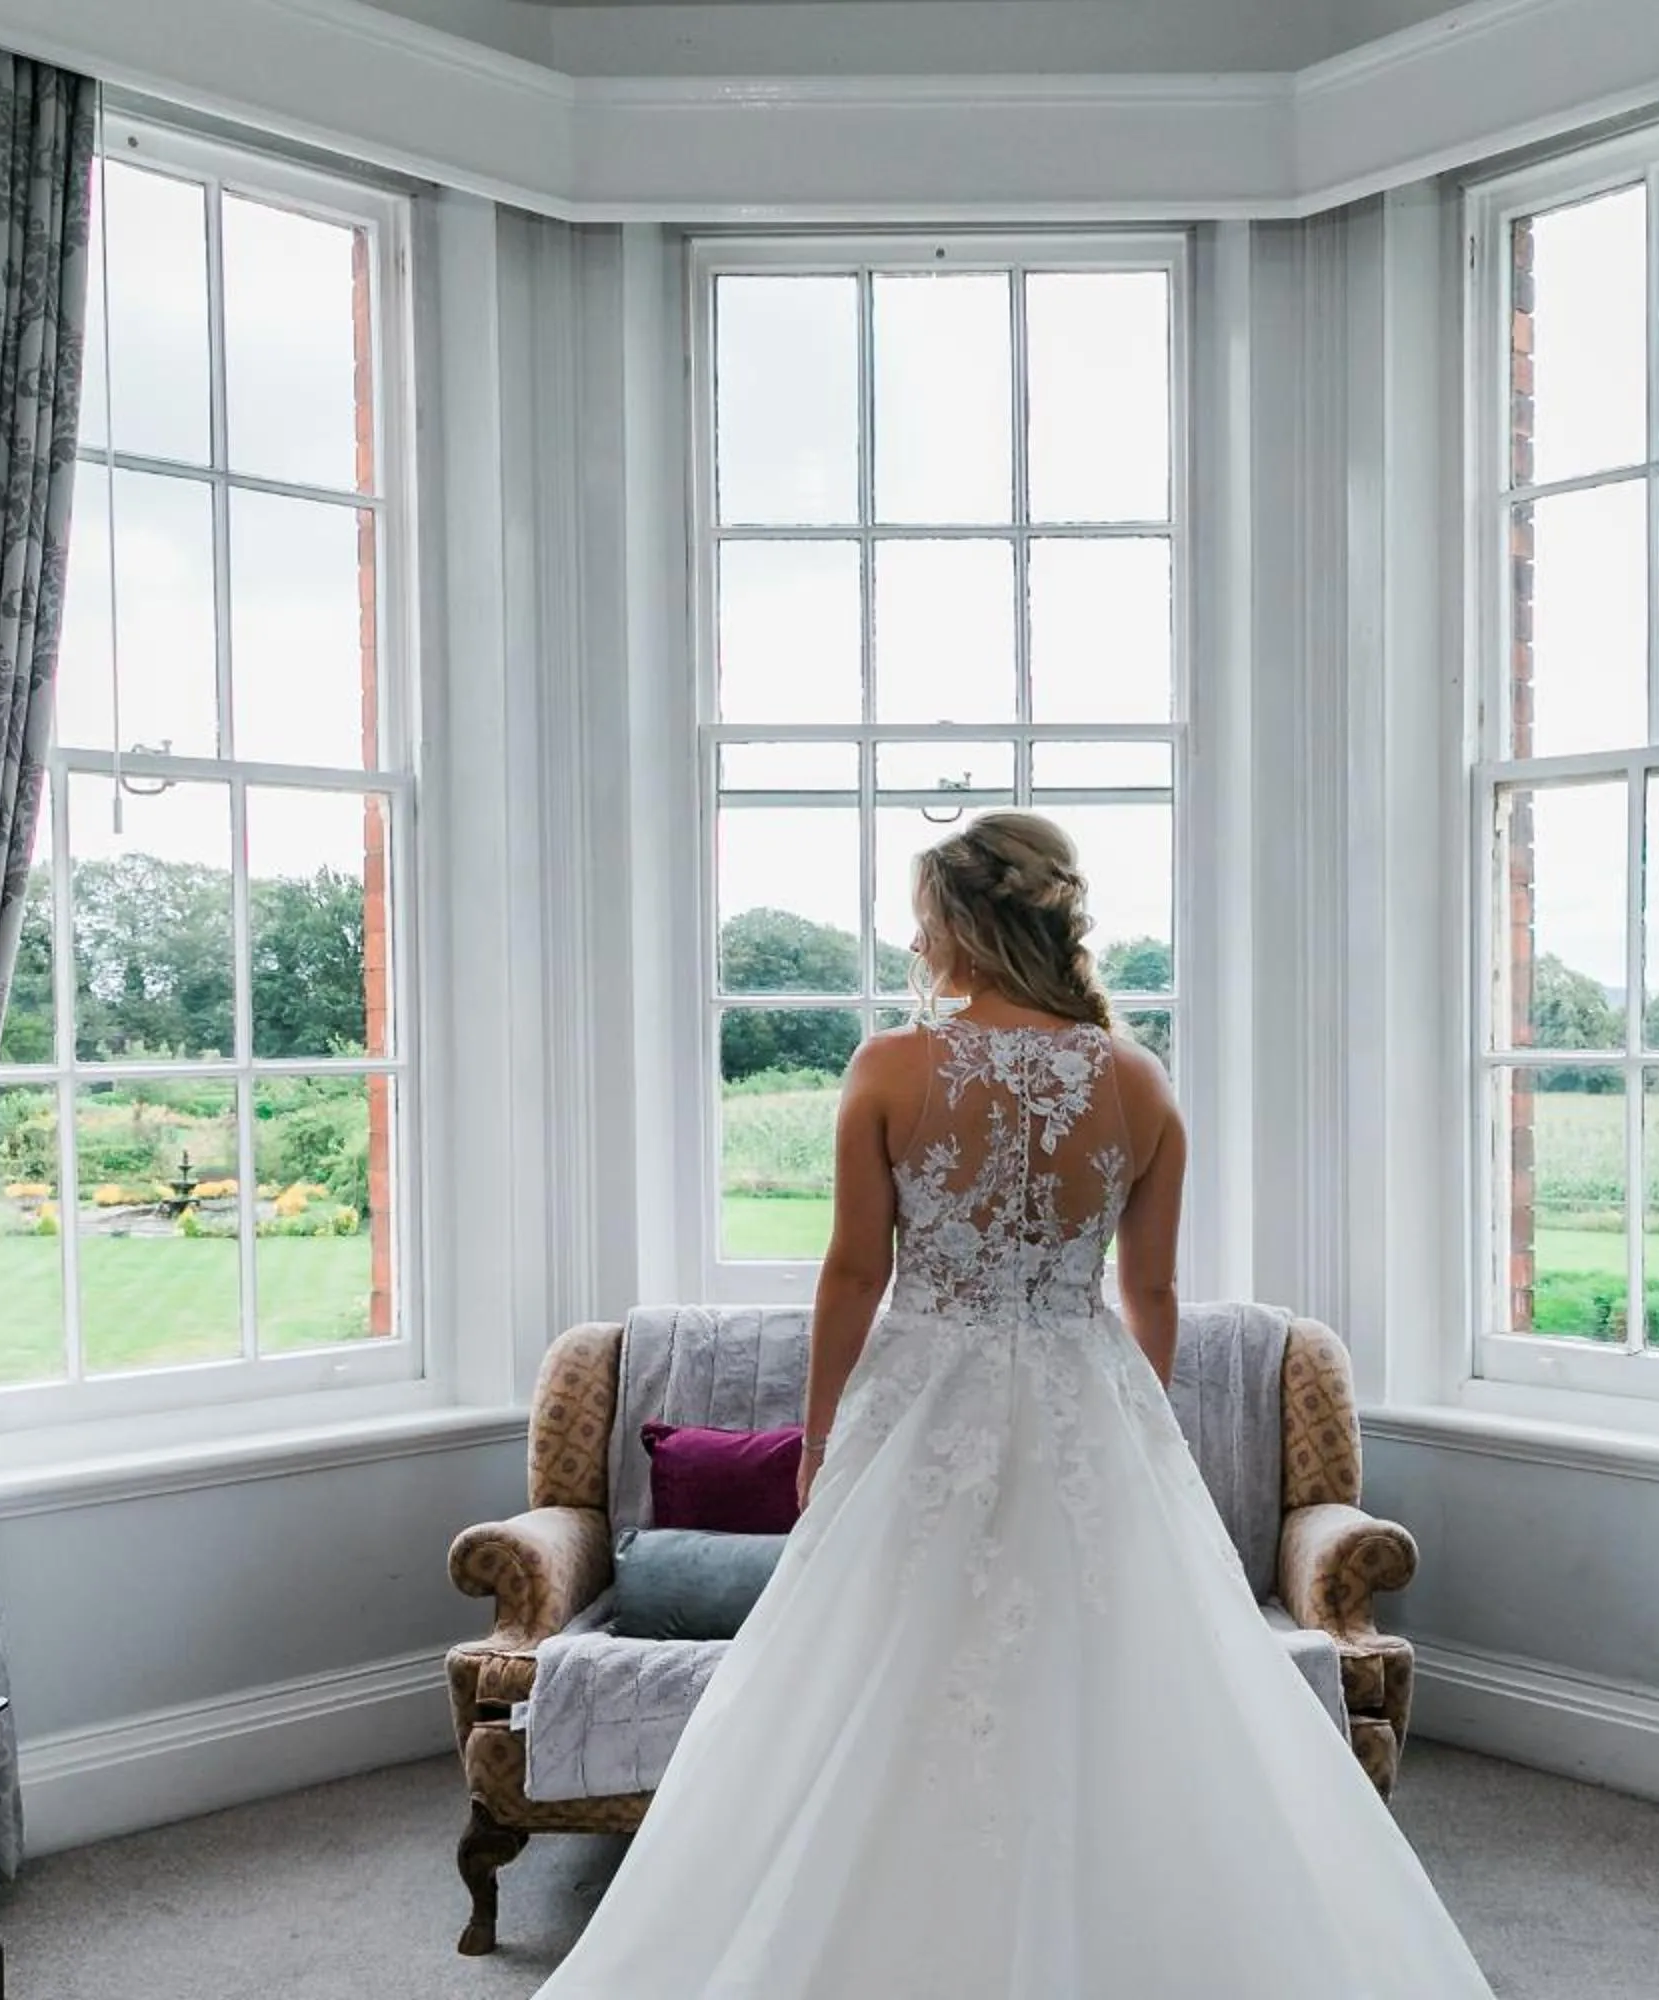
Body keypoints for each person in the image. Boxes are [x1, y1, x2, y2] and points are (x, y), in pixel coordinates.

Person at [537, 812, 1493, 1997]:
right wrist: (1132, 1432)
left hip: (920, 1401)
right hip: (1084, 1397)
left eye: (924, 919)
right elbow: (1151, 1292)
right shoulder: (1138, 1080)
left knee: (880, 1669)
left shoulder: (890, 1066)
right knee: (1098, 1681)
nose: (914, 942)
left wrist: (820, 1436)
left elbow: (854, 1271)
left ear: (966, 924)